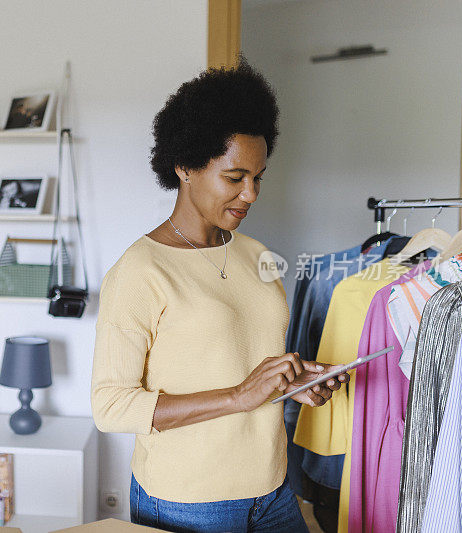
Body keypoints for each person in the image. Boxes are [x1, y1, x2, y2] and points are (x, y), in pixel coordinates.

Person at [90, 58, 348, 533]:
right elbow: (111, 407)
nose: (250, 194)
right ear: (185, 165)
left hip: (273, 488)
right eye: (235, 178)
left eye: (258, 177)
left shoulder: (258, 255)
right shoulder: (139, 272)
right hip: (189, 503)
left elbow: (244, 363)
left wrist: (295, 384)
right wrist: (238, 396)